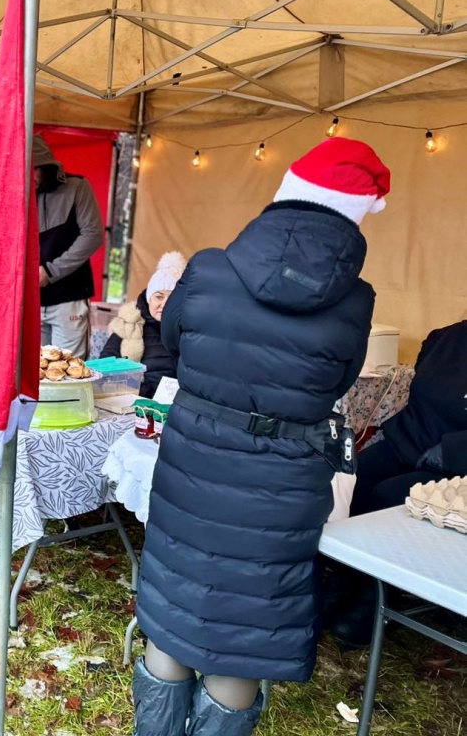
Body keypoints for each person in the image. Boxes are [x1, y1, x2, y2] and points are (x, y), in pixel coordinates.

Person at [132, 138, 387, 736]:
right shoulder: (356, 300)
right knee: (246, 628)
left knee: (175, 608)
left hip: (194, 461)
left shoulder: (210, 268)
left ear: (283, 198)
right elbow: (341, 378)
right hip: (283, 477)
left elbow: (172, 331)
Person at [324, 317, 467, 646]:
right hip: (410, 441)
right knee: (350, 480)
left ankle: (375, 598)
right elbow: (419, 403)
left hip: (453, 464)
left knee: (387, 496)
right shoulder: (446, 336)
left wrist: (450, 452)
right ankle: (344, 577)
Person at [33, 135, 103, 359]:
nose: (26, 176)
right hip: (29, 301)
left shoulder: (77, 187)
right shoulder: (14, 195)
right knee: (32, 372)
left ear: (45, 165)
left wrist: (50, 271)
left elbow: (93, 235)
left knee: (69, 370)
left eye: (32, 169)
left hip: (69, 297)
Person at [99, 251, 186, 397]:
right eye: (158, 297)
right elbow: (105, 368)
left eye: (172, 299)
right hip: (137, 404)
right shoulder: (128, 324)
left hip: (180, 406)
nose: (164, 304)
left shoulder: (192, 329)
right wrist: (143, 392)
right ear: (148, 299)